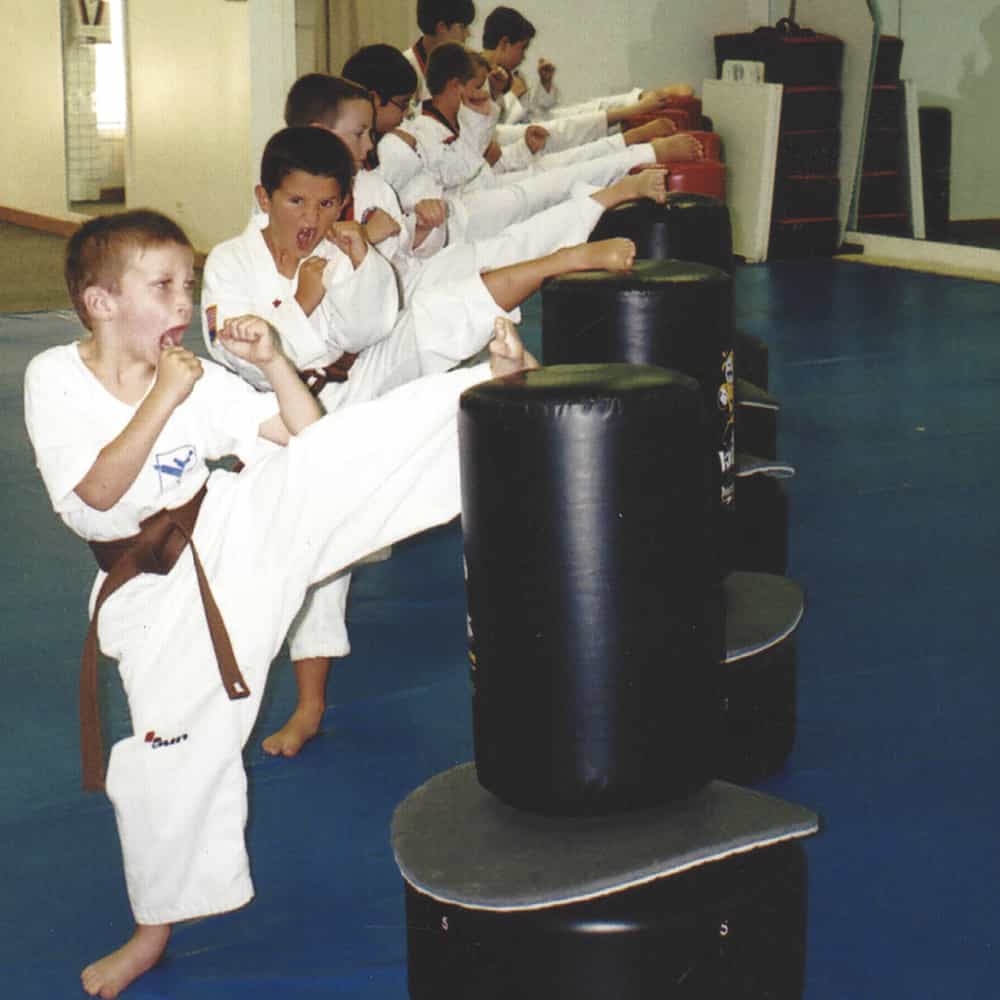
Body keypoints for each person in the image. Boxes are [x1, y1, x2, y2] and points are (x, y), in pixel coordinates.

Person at [23, 207, 541, 997]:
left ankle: (488, 393)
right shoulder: (57, 377)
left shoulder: (193, 374)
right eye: (162, 287)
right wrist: (163, 399)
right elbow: (92, 493)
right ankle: (153, 929)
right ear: (100, 303)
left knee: (334, 465)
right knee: (167, 755)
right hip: (150, 587)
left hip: (231, 527)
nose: (180, 305)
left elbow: (313, 440)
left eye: (186, 286)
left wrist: (271, 364)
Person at [203, 125, 645, 758]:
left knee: (432, 318)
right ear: (263, 197)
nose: (313, 218)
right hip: (282, 416)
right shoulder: (228, 263)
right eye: (297, 202)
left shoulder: (339, 243)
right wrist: (300, 301)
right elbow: (250, 362)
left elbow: (373, 322)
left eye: (329, 204)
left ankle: (552, 274)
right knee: (313, 557)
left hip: (361, 374)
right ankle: (308, 706)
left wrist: (359, 267)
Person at [397, 42, 700, 197]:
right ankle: (637, 147)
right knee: (559, 171)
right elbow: (462, 171)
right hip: (472, 201)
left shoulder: (451, 116)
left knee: (560, 155)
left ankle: (630, 132)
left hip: (492, 176)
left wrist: (522, 147)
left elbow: (483, 161)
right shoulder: (423, 130)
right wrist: (492, 107)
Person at [481, 5, 695, 125]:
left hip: (541, 124)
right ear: (504, 43)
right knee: (587, 120)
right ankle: (641, 105)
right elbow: (494, 132)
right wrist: (510, 97)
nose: (524, 56)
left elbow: (535, 111)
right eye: (522, 48)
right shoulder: (478, 75)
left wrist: (544, 86)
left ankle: (644, 97)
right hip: (532, 139)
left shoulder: (507, 74)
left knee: (591, 106)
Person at [403, 0, 477, 103]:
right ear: (442, 27)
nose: (468, 34)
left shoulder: (466, 65)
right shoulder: (405, 67)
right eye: (463, 27)